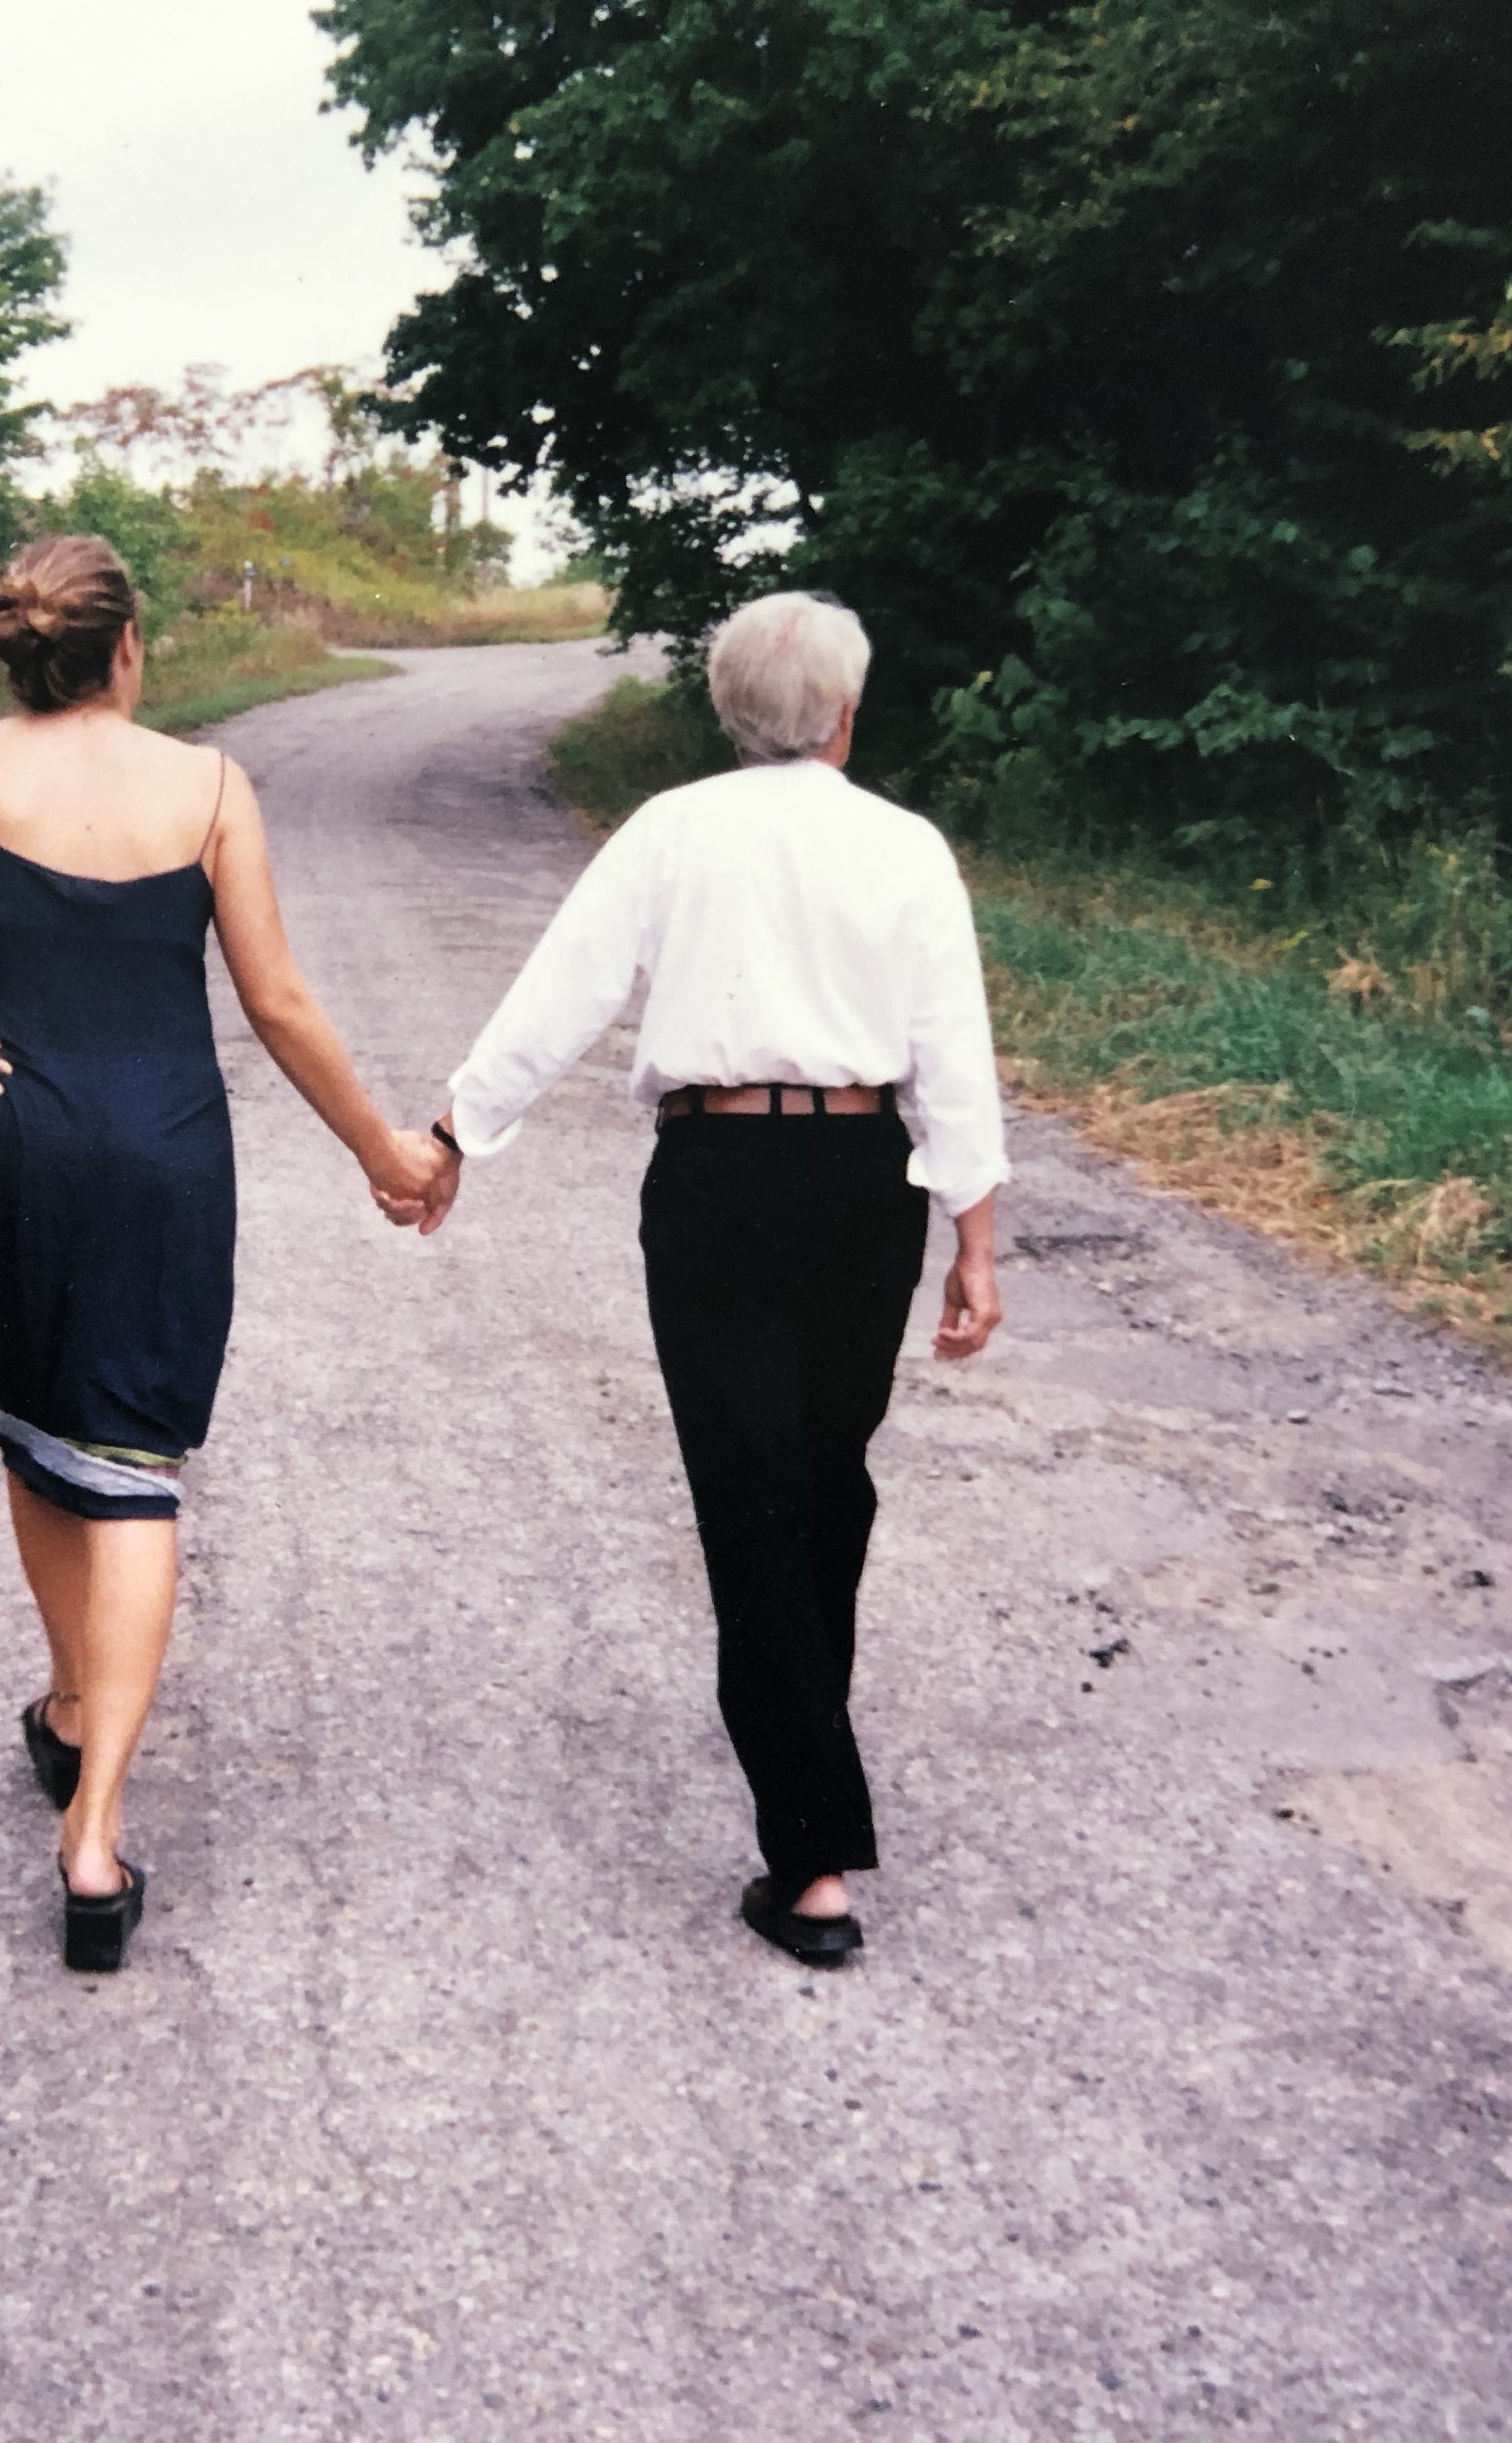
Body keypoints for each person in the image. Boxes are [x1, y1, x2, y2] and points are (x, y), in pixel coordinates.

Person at [0, 535, 439, 1972]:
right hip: (162, 1153)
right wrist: (385, 1151)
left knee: (36, 1431)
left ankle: (74, 1708)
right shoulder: (208, 786)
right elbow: (280, 1000)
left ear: (23, 654)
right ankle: (95, 1830)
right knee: (129, 1462)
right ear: (128, 648)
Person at [399, 591, 1009, 1967]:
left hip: (716, 1180)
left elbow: (561, 995)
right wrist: (973, 1236)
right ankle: (812, 1799)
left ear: (730, 715)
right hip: (866, 1188)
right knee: (823, 1477)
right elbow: (949, 1049)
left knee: (756, 1492)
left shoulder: (673, 829)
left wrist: (454, 1137)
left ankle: (810, 1856)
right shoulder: (906, 848)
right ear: (848, 713)